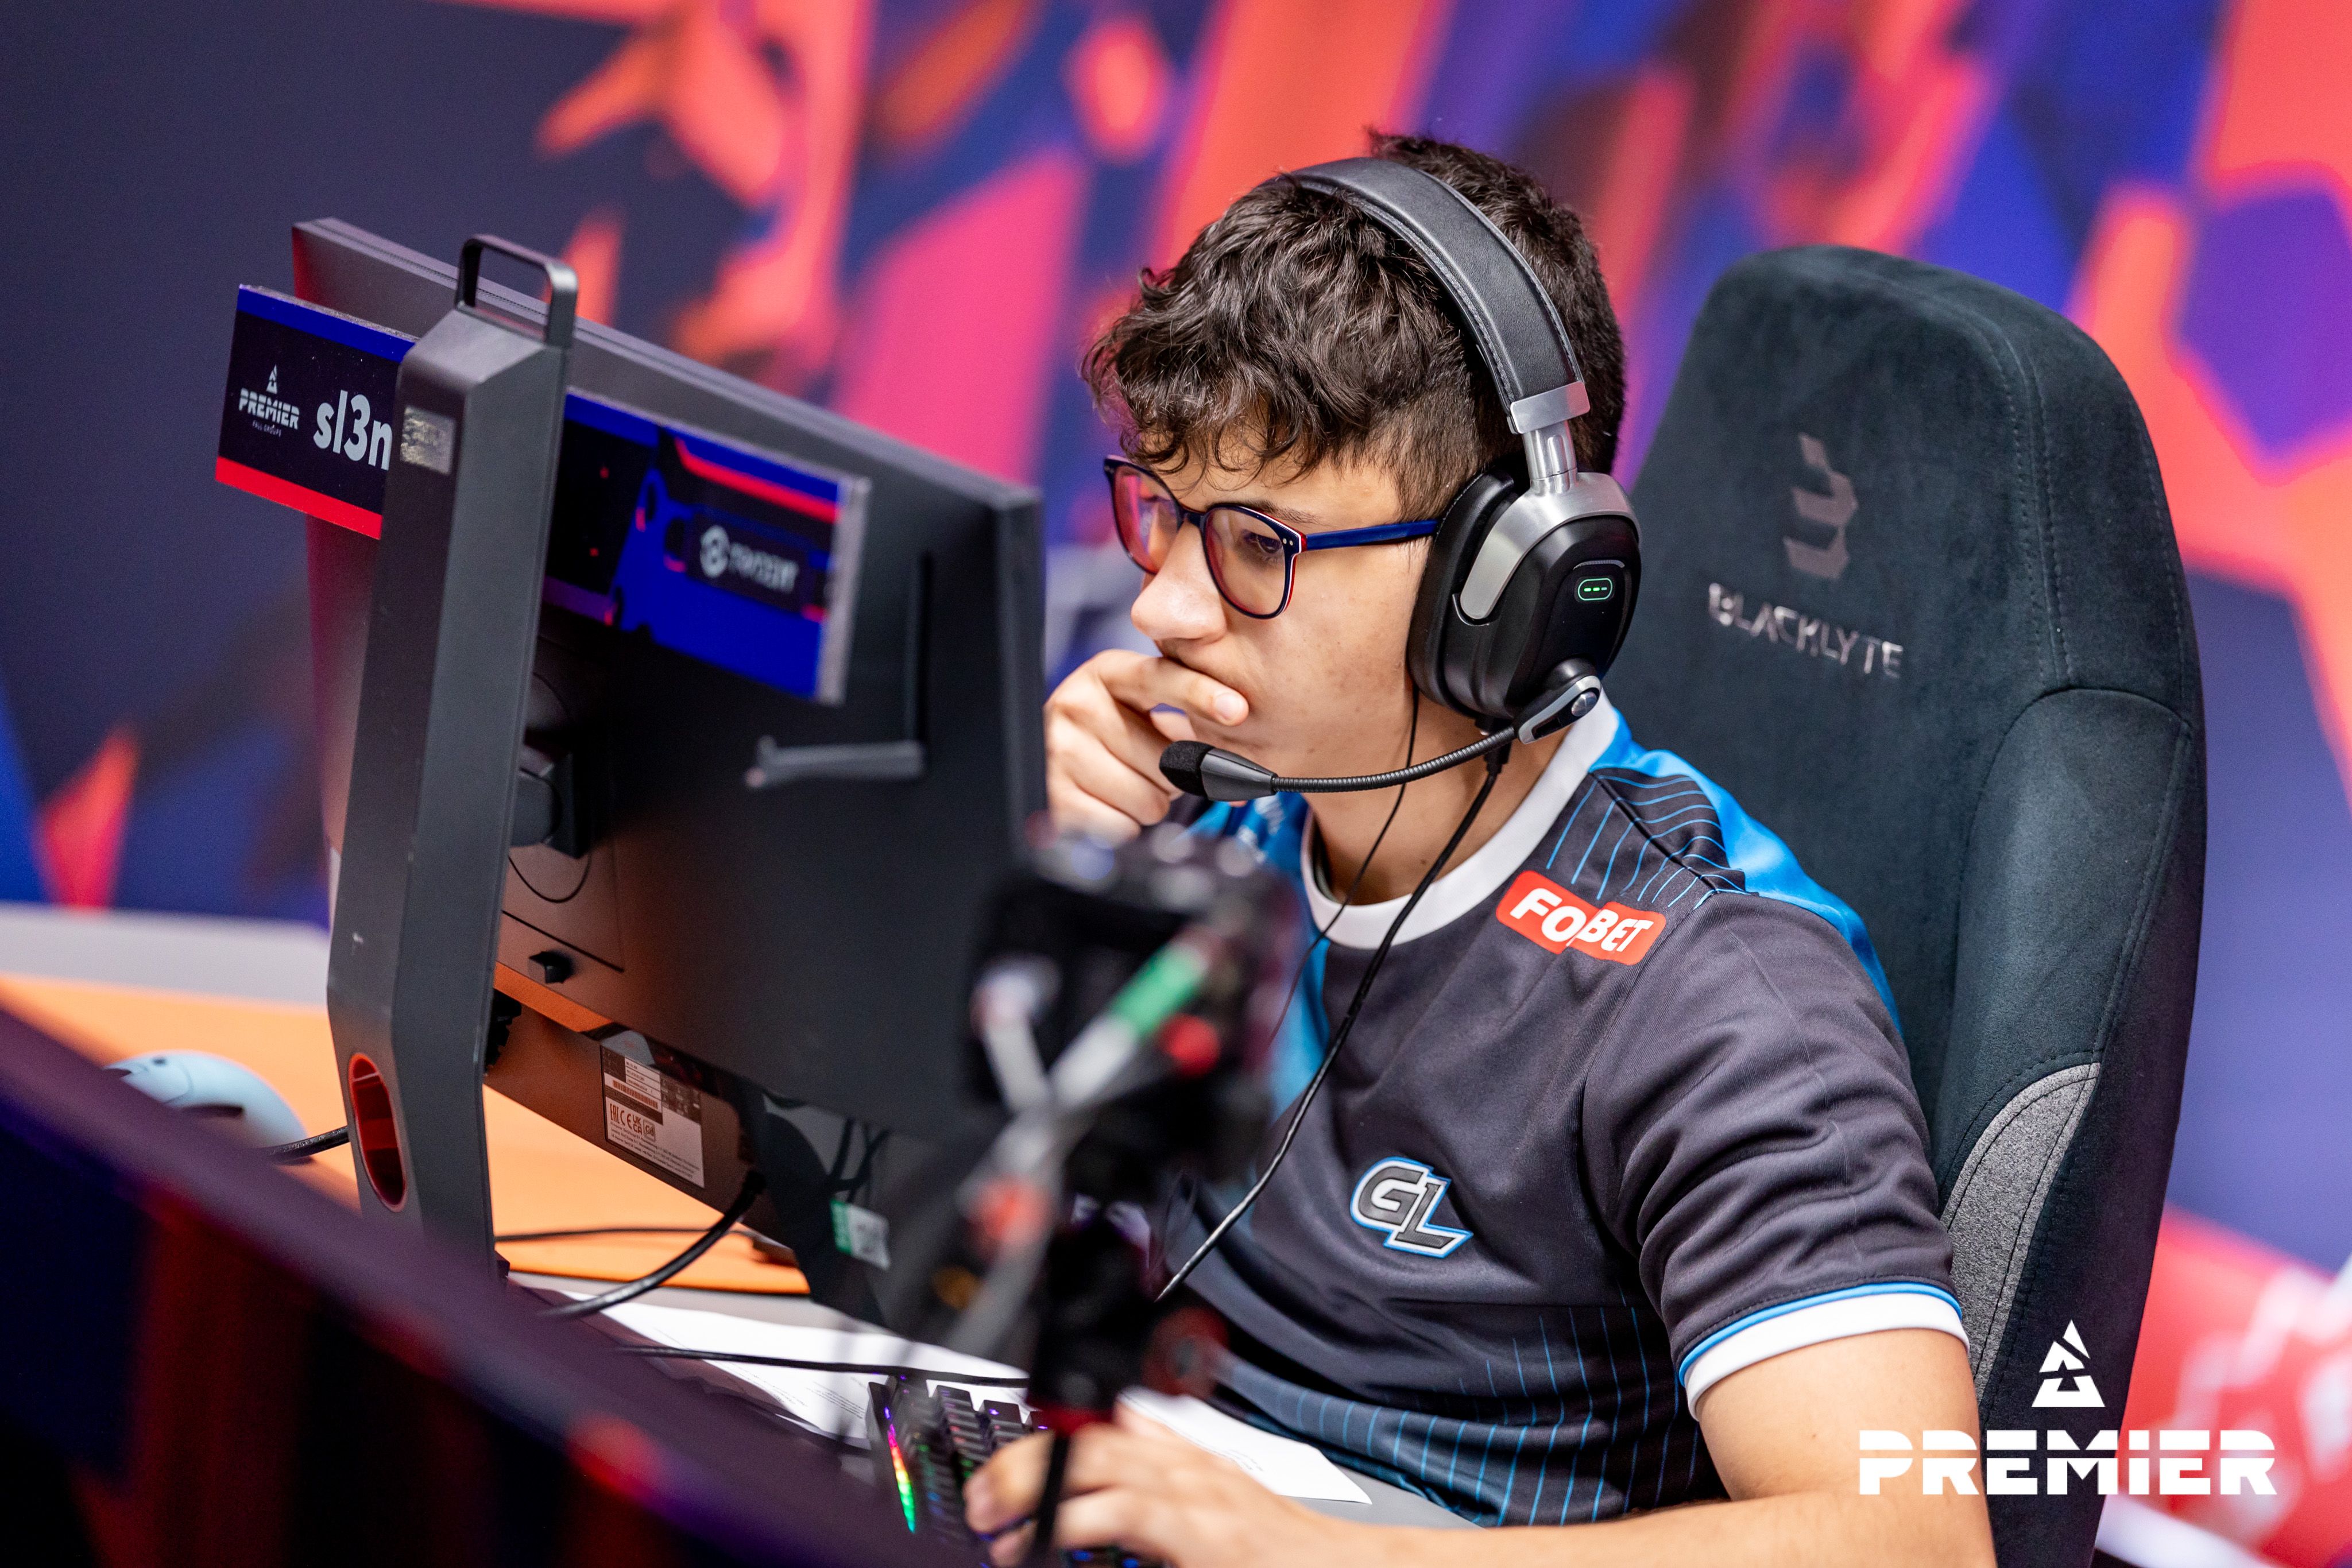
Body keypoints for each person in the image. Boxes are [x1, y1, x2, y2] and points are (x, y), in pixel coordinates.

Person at [969, 134, 1993, 1568]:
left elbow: (1913, 1544)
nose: (1164, 610)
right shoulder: (1199, 823)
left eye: (1255, 543)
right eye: (1165, 513)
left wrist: (1308, 1557)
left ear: (1500, 581)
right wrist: (1036, 886)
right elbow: (905, 1230)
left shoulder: (1716, 993)